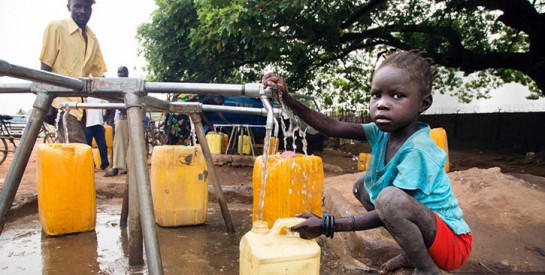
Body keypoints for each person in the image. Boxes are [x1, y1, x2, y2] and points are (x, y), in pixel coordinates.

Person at [262, 50, 472, 275]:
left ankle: (428, 270)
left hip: (452, 243)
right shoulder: (382, 133)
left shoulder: (418, 150)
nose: (382, 104)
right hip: (429, 235)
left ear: (424, 103)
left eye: (397, 96)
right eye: (376, 95)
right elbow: (331, 127)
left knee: (389, 199)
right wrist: (287, 99)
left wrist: (327, 224)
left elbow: (390, 208)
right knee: (363, 186)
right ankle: (413, 254)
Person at [40, 0, 106, 144]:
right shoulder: (57, 27)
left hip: (81, 108)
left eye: (87, 7)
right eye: (77, 6)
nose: (82, 11)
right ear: (69, 7)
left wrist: (121, 99)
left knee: (71, 154)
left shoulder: (93, 38)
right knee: (79, 151)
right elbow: (45, 67)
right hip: (61, 105)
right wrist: (46, 102)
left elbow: (99, 75)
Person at [105, 66, 129, 177]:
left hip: (126, 117)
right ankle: (119, 166)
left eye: (122, 72)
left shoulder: (128, 85)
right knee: (119, 143)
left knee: (124, 143)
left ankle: (121, 167)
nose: (120, 75)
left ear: (127, 74)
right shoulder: (117, 86)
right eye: (119, 72)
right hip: (120, 118)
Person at [85, 96, 109, 171]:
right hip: (88, 124)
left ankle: (105, 165)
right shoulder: (85, 98)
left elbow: (108, 104)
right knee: (87, 147)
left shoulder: (99, 97)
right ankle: (90, 165)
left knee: (103, 146)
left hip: (99, 124)